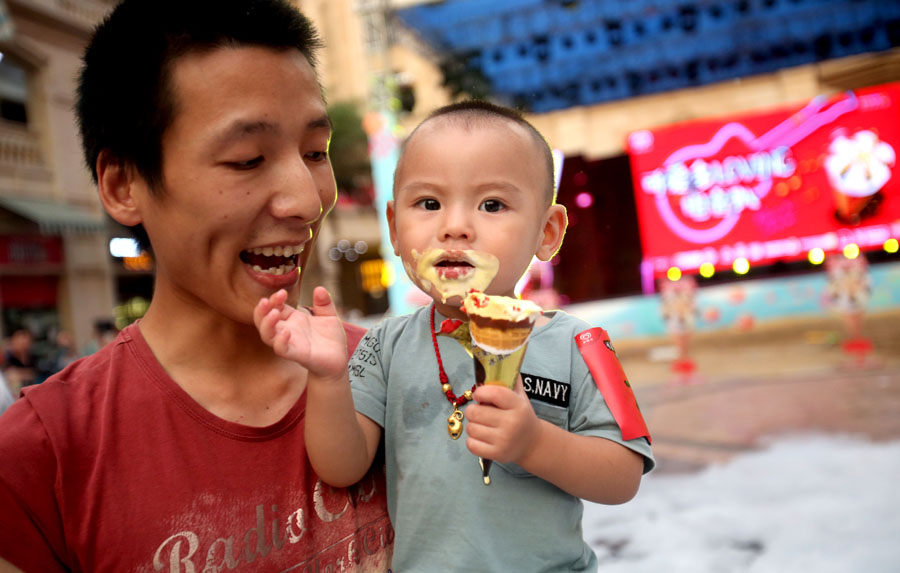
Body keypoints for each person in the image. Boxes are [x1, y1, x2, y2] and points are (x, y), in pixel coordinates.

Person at [0, 1, 393, 570]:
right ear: (123, 184)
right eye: (247, 159)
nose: (308, 201)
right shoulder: (43, 457)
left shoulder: (392, 375)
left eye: (315, 152)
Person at [255, 100, 654, 571]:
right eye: (429, 204)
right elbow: (342, 466)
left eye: (492, 205)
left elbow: (623, 478)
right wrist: (326, 378)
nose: (455, 227)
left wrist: (535, 444)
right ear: (395, 229)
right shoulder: (386, 347)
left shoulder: (579, 346)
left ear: (547, 232)